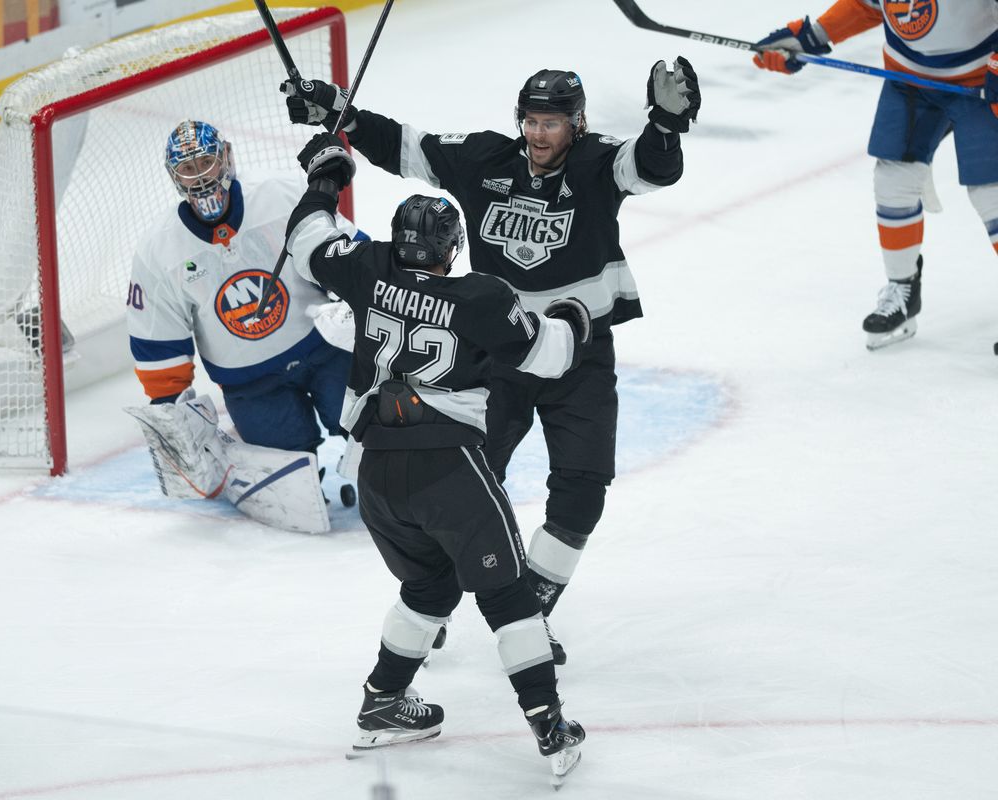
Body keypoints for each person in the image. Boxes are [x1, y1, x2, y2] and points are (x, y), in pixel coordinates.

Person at [281, 62, 701, 659]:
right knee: (465, 489)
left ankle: (531, 605)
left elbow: (654, 166)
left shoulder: (598, 162)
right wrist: (337, 111)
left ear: (576, 124)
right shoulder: (486, 161)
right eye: (530, 121)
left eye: (551, 123)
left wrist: (666, 123)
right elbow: (406, 146)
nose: (538, 134)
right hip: (495, 355)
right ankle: (436, 598)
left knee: (583, 489)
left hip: (579, 356)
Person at [285, 130, 590, 784]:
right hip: (446, 468)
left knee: (429, 586)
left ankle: (384, 700)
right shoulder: (479, 297)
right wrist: (572, 319)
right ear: (452, 250)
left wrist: (326, 174)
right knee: (507, 594)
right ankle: (549, 725)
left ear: (398, 242)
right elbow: (549, 356)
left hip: (374, 475)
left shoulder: (367, 268)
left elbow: (308, 235)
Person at [126, 121, 366, 506]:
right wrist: (169, 406)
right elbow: (158, 337)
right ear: (174, 177)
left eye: (206, 161)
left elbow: (352, 255)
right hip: (251, 383)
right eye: (188, 168)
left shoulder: (281, 197)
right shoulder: (159, 251)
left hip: (323, 350)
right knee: (286, 480)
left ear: (227, 157)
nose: (200, 176)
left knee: (371, 425)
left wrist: (365, 297)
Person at [753, 2, 998, 350]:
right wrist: (811, 36)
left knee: (992, 194)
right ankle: (903, 290)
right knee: (892, 182)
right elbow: (867, 4)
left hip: (980, 82)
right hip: (909, 79)